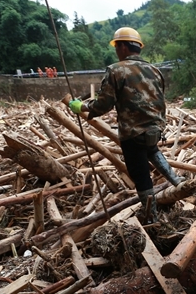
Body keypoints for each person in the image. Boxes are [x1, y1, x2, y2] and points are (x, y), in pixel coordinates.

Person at [68, 27, 183, 220]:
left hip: (133, 134)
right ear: (137, 47)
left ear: (122, 47)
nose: (116, 51)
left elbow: (104, 104)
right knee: (152, 150)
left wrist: (83, 107)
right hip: (155, 130)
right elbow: (160, 100)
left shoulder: (116, 70)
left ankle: (151, 219)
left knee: (141, 178)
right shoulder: (154, 70)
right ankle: (180, 183)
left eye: (116, 46)